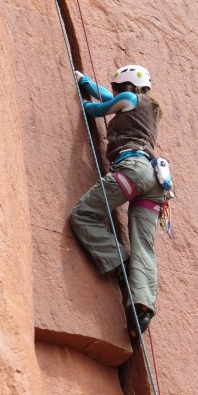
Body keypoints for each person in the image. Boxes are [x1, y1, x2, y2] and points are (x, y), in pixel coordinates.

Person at [70, 65, 165, 337]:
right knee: (144, 246)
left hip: (132, 170)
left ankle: (118, 260)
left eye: (115, 88)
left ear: (124, 85)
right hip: (155, 183)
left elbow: (101, 109)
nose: (112, 92)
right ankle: (143, 307)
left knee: (83, 214)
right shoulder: (149, 107)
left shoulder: (130, 99)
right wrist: (87, 83)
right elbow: (112, 100)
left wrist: (83, 101)